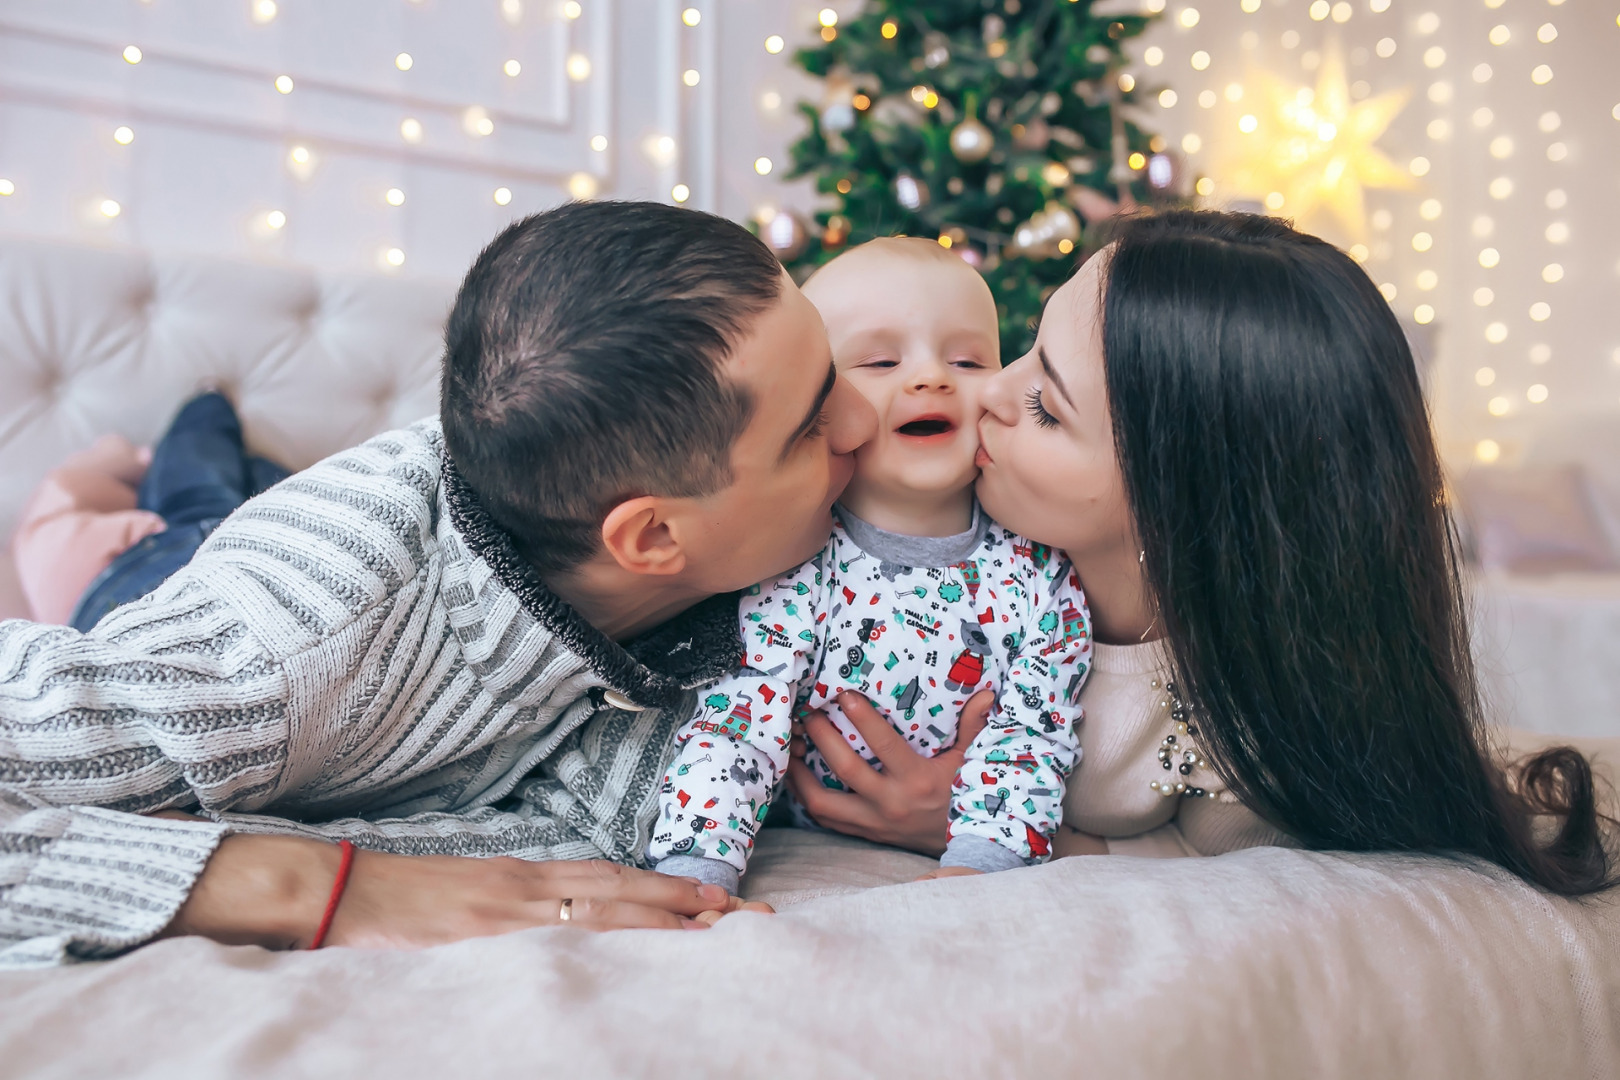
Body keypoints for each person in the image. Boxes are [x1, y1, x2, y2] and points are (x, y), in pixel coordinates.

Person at [0, 200, 879, 968]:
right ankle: (193, 418)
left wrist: (944, 812)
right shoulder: (277, 639)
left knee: (238, 485)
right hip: (166, 578)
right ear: (652, 536)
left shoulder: (778, 561)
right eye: (811, 425)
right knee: (184, 495)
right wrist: (319, 885)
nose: (865, 420)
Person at [783, 210, 1616, 897]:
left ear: (1177, 501)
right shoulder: (908, 528)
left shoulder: (1246, 725)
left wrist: (979, 824)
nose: (984, 391)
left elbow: (1216, 859)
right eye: (1021, 351)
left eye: (1045, 407)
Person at [647, 239, 1091, 893]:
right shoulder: (797, 559)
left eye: (967, 360)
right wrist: (698, 869)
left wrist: (983, 867)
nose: (931, 377)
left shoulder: (1039, 570)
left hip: (971, 842)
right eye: (882, 360)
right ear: (821, 405)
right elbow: (741, 720)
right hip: (792, 819)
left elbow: (1033, 726)